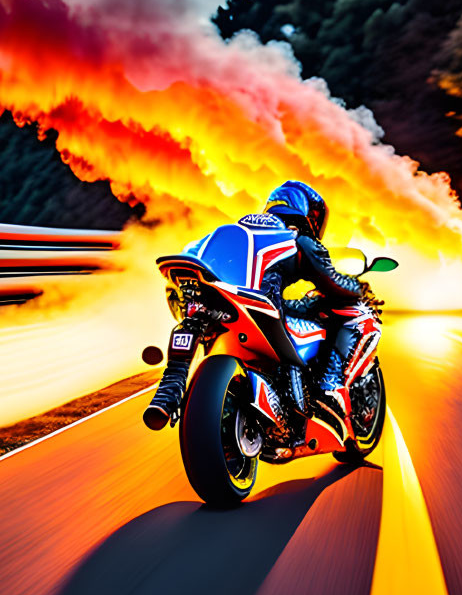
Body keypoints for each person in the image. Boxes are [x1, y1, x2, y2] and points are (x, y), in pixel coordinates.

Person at [143, 180, 365, 430]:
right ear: (308, 213)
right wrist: (359, 288)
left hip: (211, 292)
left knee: (195, 319)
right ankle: (328, 388)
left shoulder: (241, 229)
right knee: (349, 316)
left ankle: (170, 388)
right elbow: (333, 284)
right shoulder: (297, 237)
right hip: (260, 307)